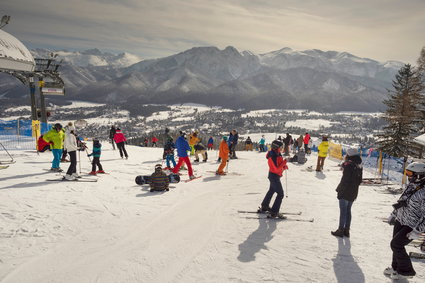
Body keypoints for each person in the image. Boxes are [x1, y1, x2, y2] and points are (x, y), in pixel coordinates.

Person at [384, 162, 425, 280]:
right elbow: (402, 200)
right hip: (401, 219)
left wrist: (417, 231)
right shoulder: (413, 185)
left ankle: (407, 271)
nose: (407, 176)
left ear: (420, 175)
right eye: (406, 173)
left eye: (410, 173)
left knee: (396, 245)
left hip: (412, 225)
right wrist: (394, 214)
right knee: (395, 245)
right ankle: (395, 268)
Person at [331, 148, 363, 238]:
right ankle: (346, 230)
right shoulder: (359, 165)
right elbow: (359, 181)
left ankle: (340, 230)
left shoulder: (348, 165)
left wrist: (339, 190)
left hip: (345, 191)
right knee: (348, 211)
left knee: (343, 211)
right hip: (353, 192)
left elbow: (345, 180)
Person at [258, 140, 288, 218]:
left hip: (274, 176)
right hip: (274, 176)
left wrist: (284, 166)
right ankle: (274, 212)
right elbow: (276, 169)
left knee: (271, 190)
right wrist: (284, 163)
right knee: (280, 194)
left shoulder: (277, 153)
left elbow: (279, 164)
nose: (282, 148)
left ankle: (264, 206)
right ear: (277, 147)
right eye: (281, 147)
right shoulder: (273, 156)